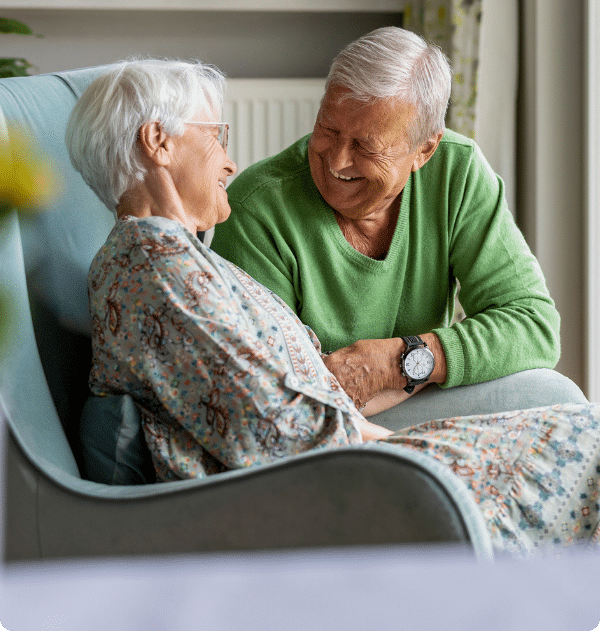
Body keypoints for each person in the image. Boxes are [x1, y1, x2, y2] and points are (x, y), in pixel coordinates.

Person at [65, 57, 600, 558]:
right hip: (327, 481)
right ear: (158, 141)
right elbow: (276, 428)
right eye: (216, 137)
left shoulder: (177, 259)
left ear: (424, 150)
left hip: (347, 455)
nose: (229, 160)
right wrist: (419, 453)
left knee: (577, 426)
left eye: (365, 144)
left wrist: (405, 398)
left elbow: (274, 404)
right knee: (585, 445)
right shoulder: (158, 266)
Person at [211, 27, 561, 414]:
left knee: (554, 394)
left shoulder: (456, 172)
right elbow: (270, 398)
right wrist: (416, 376)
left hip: (414, 397)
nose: (337, 160)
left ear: (424, 151)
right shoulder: (256, 208)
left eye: (365, 146)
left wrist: (398, 362)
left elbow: (534, 325)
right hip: (323, 426)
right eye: (328, 129)